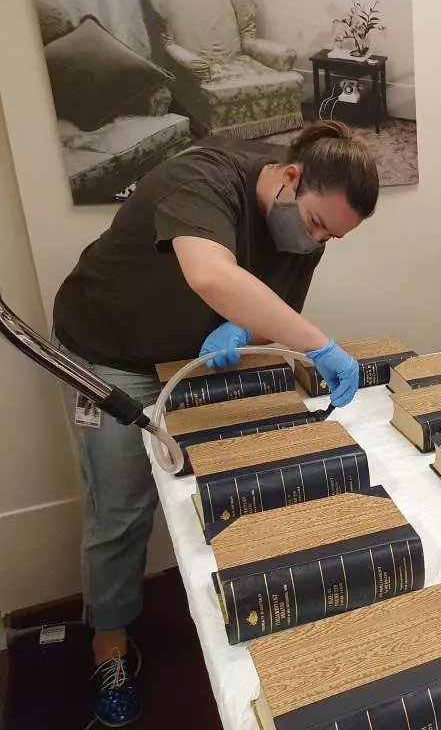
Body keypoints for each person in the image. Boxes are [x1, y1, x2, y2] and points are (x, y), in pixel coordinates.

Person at [51, 120, 379, 726]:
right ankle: (110, 646)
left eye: (332, 235)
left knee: (230, 476)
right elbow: (211, 275)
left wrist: (244, 331)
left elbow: (272, 309)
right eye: (315, 224)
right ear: (290, 177)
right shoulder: (200, 177)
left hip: (191, 357)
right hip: (110, 356)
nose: (317, 241)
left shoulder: (309, 227)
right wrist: (324, 347)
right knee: (121, 507)